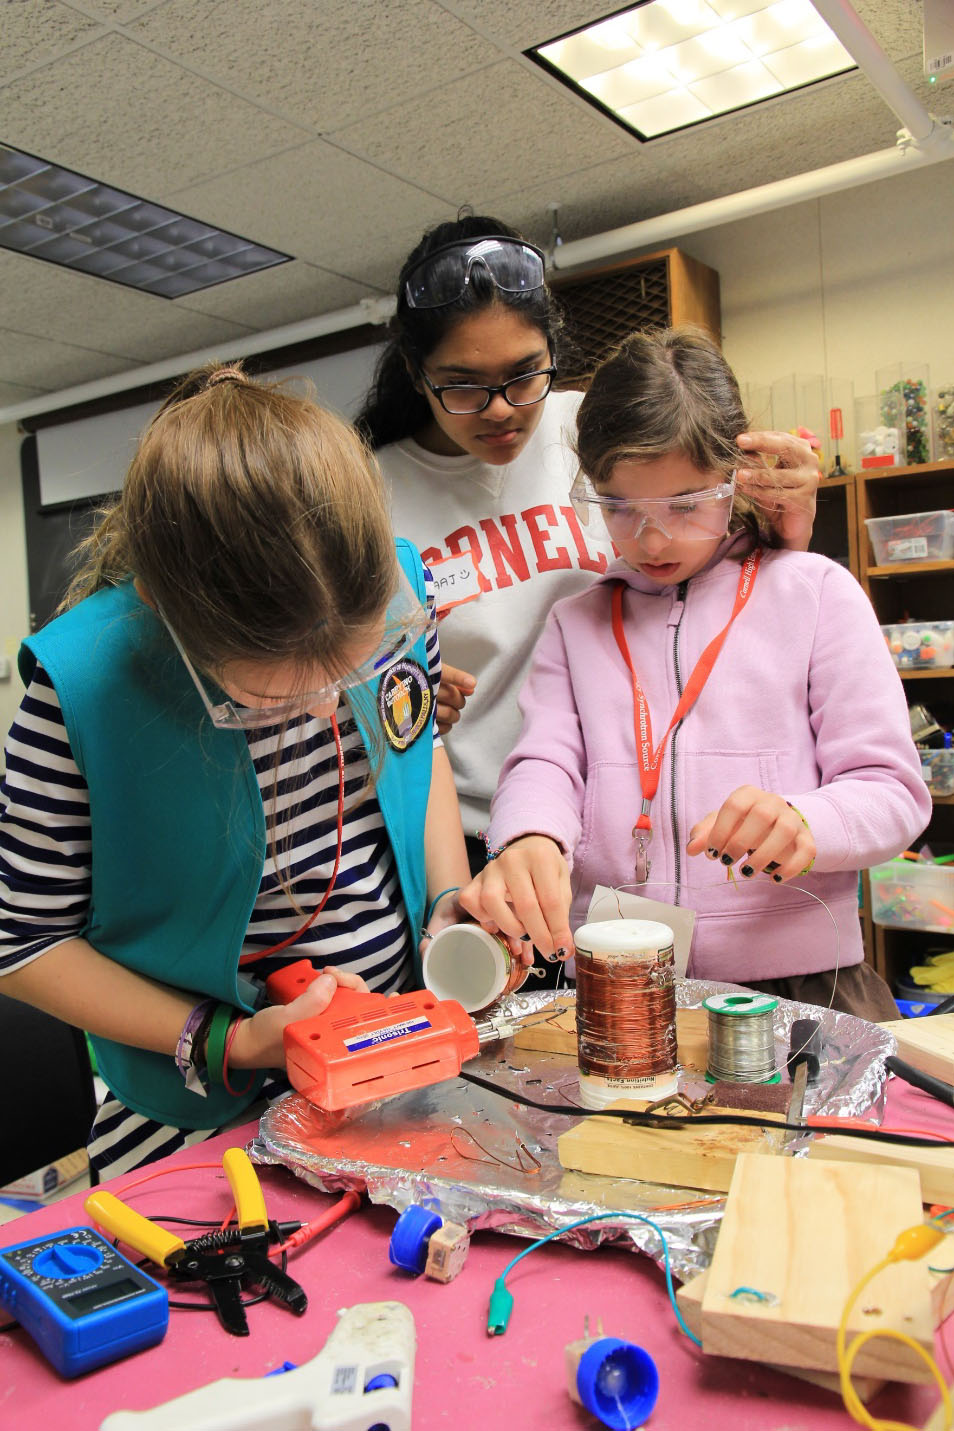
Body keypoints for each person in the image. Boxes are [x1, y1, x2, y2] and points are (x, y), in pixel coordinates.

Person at [0, 364, 472, 1177]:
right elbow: (23, 941)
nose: (328, 709)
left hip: (397, 1058)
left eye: (349, 673)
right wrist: (226, 1038)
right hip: (194, 1118)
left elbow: (419, 750)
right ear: (177, 620)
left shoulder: (389, 584)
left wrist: (452, 908)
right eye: (271, 699)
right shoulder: (83, 682)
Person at [458, 328, 931, 1020]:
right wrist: (530, 834)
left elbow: (893, 790)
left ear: (736, 477)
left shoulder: (815, 592)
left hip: (804, 986)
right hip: (620, 986)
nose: (651, 539)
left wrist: (807, 820)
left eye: (684, 505)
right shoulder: (576, 621)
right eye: (619, 506)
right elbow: (546, 762)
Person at [357, 214, 824, 873]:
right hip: (483, 836)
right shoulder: (370, 492)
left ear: (554, 347)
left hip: (637, 822)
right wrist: (407, 699)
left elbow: (723, 584)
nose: (499, 409)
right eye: (463, 385)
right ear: (416, 371)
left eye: (524, 374)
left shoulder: (595, 426)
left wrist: (788, 528)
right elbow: (349, 686)